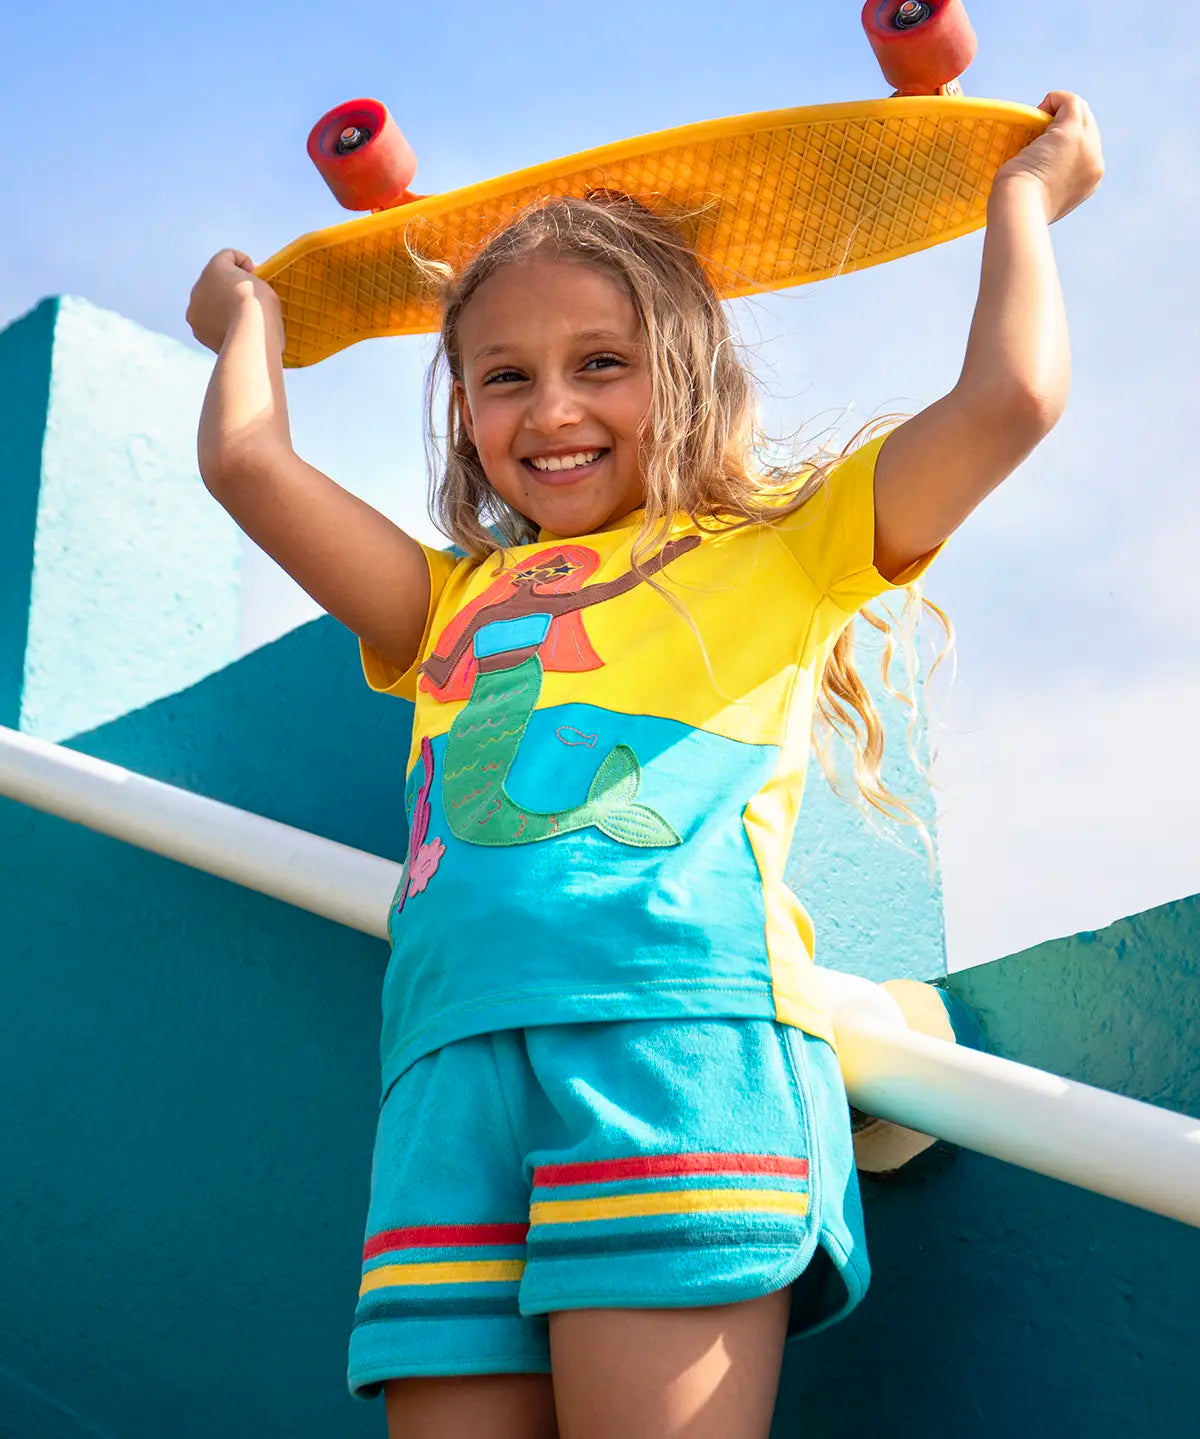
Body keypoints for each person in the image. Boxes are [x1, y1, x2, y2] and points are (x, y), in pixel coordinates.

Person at [186, 91, 1102, 1439]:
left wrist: (1022, 198)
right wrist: (248, 329)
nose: (551, 406)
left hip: (675, 1053)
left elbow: (1012, 398)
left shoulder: (786, 552)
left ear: (687, 372)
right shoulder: (450, 605)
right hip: (444, 1077)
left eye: (601, 362)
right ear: (466, 417)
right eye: (504, 375)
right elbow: (249, 461)